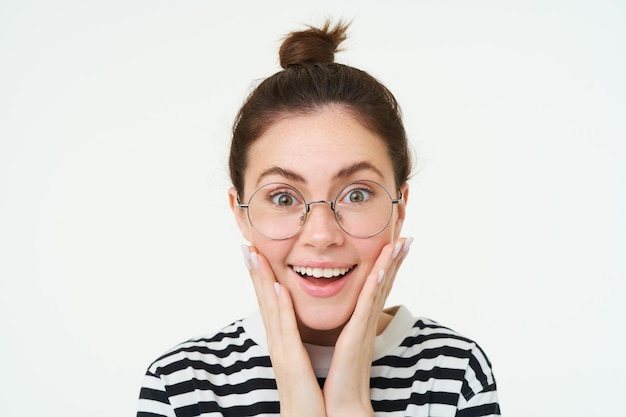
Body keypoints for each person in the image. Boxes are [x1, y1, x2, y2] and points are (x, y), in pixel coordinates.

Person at [137, 21, 500, 417]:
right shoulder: (183, 384)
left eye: (356, 195)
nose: (322, 235)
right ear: (240, 213)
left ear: (399, 208)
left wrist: (351, 404)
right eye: (283, 197)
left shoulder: (454, 372)